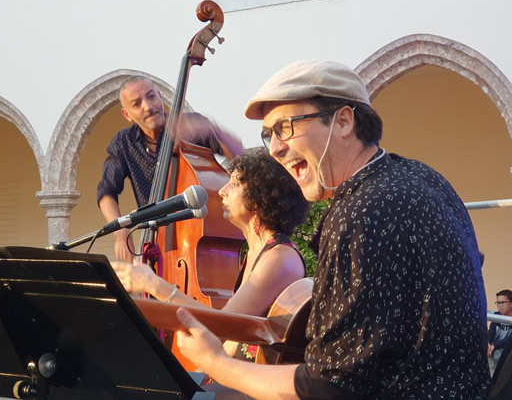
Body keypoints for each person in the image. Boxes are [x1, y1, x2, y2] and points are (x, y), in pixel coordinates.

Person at [174, 60, 491, 398]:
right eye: (268, 135)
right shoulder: (424, 178)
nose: (275, 149)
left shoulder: (359, 211)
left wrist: (217, 363)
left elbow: (329, 387)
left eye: (284, 127)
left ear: (343, 121)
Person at [111, 147, 308, 361]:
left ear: (263, 195)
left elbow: (222, 326)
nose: (223, 190)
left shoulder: (279, 258)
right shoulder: (255, 252)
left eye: (235, 183)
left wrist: (154, 285)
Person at [97, 76, 243, 263]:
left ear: (160, 96)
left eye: (151, 97)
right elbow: (106, 191)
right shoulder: (123, 142)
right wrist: (121, 232)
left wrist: (212, 129)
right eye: (137, 104)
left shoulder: (191, 126)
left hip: (199, 240)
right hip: (155, 244)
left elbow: (239, 155)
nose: (148, 107)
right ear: (127, 115)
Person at [488, 289, 512, 376]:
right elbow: (491, 331)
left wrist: (494, 346)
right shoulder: (496, 316)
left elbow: (510, 338)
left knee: (498, 355)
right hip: (494, 348)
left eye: (503, 303)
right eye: (498, 303)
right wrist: (488, 343)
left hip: (509, 350)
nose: (500, 306)